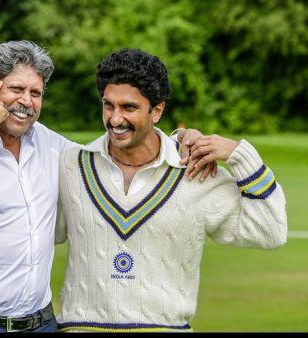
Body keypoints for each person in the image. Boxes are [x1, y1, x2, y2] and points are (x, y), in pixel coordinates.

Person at [0, 41, 210, 333]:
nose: (26, 101)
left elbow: (115, 153)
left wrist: (181, 139)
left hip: (42, 324)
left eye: (35, 93)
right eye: (16, 89)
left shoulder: (55, 148)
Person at [55, 48, 288, 332]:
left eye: (129, 108)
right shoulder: (70, 165)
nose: (115, 119)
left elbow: (270, 232)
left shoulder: (196, 172)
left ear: (157, 110)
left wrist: (239, 154)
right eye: (108, 105)